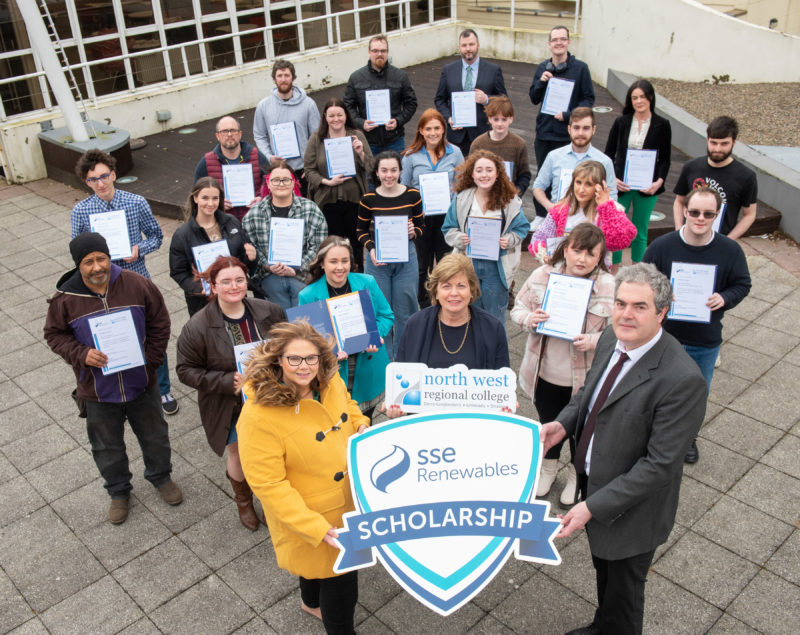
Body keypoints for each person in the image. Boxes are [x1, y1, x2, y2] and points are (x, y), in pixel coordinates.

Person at [540, 262, 706, 635]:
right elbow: (590, 393)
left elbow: (660, 466)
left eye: (640, 306)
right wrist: (562, 425)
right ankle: (604, 625)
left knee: (625, 593)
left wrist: (591, 507)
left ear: (663, 311)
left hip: (632, 512)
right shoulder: (614, 338)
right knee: (606, 575)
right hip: (594, 484)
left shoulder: (681, 380)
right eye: (620, 303)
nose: (626, 314)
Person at [237, 321, 369, 634]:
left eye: (310, 358)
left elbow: (347, 406)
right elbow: (268, 485)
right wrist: (315, 527)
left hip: (347, 498)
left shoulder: (330, 379)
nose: (303, 367)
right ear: (278, 360)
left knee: (313, 569)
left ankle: (310, 603)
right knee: (341, 586)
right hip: (311, 514)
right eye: (293, 359)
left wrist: (360, 423)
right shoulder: (258, 416)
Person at [44, 233, 182, 525]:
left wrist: (150, 364)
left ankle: (161, 477)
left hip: (141, 382)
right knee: (106, 445)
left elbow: (160, 322)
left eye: (101, 259)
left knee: (155, 436)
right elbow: (54, 335)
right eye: (88, 261)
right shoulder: (65, 299)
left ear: (109, 258)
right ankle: (119, 491)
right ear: (77, 265)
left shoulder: (137, 284)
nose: (97, 267)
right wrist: (81, 354)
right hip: (96, 390)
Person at [176, 256, 285, 530]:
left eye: (239, 280)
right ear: (213, 287)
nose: (234, 286)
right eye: (225, 282)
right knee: (238, 454)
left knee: (275, 451)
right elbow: (185, 370)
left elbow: (288, 345)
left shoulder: (268, 310)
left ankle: (274, 500)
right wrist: (227, 380)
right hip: (230, 404)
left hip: (270, 395)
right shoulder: (197, 327)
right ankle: (244, 500)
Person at [644, 187, 751, 464]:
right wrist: (660, 294)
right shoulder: (662, 246)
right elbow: (642, 281)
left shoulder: (730, 250)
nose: (700, 218)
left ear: (717, 215)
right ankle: (652, 437)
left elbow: (742, 284)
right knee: (655, 389)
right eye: (694, 212)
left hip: (704, 339)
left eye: (707, 214)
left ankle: (688, 438)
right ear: (684, 211)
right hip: (663, 337)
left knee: (696, 393)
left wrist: (725, 298)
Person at [510, 224, 615, 505]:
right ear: (566, 249)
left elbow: (619, 331)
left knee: (581, 429)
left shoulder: (607, 285)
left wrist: (594, 340)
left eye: (590, 254)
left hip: (584, 377)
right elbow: (518, 309)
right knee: (548, 421)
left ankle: (577, 476)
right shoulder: (543, 275)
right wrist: (529, 320)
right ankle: (548, 468)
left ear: (600, 257)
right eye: (577, 251)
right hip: (543, 372)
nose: (582, 259)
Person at [70, 148, 178, 415]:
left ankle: (162, 389)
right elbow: (77, 251)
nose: (101, 183)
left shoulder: (136, 202)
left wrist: (139, 249)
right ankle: (125, 385)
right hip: (101, 286)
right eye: (94, 179)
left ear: (114, 174)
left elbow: (155, 235)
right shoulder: (81, 212)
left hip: (137, 277)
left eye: (105, 176)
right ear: (87, 182)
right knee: (112, 335)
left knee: (151, 333)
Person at [298, 235, 393, 420]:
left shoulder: (368, 282)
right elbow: (305, 340)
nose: (340, 267)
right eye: (333, 261)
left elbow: (386, 315)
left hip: (370, 367)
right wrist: (326, 352)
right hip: (336, 372)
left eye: (345, 261)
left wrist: (376, 336)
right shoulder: (307, 295)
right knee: (345, 427)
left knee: (375, 427)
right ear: (322, 264)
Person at [442, 149, 530, 326]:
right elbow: (448, 228)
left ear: (498, 173)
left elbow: (522, 228)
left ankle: (495, 353)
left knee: (494, 319)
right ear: (472, 174)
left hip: (496, 267)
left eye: (489, 170)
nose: (484, 175)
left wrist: (509, 240)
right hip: (468, 264)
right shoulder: (461, 199)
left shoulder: (510, 201)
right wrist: (460, 238)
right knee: (467, 314)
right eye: (479, 170)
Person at [357, 151, 423, 359]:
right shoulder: (368, 199)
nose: (389, 175)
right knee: (379, 310)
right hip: (378, 260)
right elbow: (360, 231)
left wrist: (414, 232)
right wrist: (371, 249)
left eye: (393, 170)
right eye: (384, 170)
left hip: (406, 259)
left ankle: (405, 357)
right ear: (377, 172)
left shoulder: (413, 195)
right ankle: (382, 359)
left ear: (400, 171)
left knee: (406, 309)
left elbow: (421, 226)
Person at [395, 253, 509, 369]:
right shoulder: (415, 325)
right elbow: (402, 376)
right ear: (436, 292)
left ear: (471, 290)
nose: (454, 293)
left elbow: (502, 381)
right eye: (446, 286)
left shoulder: (493, 329)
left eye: (461, 286)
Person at [529, 26, 595, 223]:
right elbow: (533, 98)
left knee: (568, 176)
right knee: (544, 175)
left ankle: (570, 213)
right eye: (555, 39)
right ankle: (542, 215)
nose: (558, 43)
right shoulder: (543, 68)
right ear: (549, 44)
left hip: (566, 134)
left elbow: (588, 99)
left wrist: (568, 115)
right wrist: (541, 82)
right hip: (544, 132)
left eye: (562, 39)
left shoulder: (580, 68)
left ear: (568, 42)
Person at [243, 160, 328, 311]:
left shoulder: (310, 210)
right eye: (276, 180)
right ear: (268, 183)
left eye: (286, 180)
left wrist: (297, 267)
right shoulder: (253, 215)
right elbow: (250, 247)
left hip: (303, 274)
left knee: (304, 319)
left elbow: (318, 246)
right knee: (277, 320)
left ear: (293, 182)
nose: (281, 184)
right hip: (268, 276)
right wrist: (267, 265)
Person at [401, 109, 464, 307]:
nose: (433, 133)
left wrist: (453, 202)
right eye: (428, 128)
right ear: (421, 130)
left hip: (447, 217)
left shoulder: (455, 152)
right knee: (422, 266)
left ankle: (445, 301)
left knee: (446, 262)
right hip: (422, 218)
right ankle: (423, 305)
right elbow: (404, 187)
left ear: (444, 129)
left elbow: (461, 184)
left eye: (437, 128)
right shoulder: (410, 156)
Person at [604, 80, 672, 264]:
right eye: (634, 98)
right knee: (616, 228)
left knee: (640, 230)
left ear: (650, 97)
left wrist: (659, 182)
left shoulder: (662, 124)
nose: (639, 101)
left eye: (642, 97)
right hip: (622, 184)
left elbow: (665, 159)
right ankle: (615, 269)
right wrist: (614, 179)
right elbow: (609, 154)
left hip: (647, 186)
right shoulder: (621, 122)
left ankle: (637, 269)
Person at [169, 177, 257, 315]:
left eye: (215, 198)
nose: (210, 203)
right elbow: (178, 272)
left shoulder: (232, 222)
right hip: (204, 303)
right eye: (205, 198)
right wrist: (198, 288)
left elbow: (243, 261)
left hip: (234, 295)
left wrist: (251, 257)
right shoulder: (182, 235)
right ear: (195, 198)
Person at [304, 98, 373, 273]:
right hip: (328, 201)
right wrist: (327, 181)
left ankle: (357, 279)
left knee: (356, 244)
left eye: (339, 115)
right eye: (331, 115)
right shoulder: (317, 138)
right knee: (332, 246)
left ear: (345, 115)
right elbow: (309, 170)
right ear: (325, 117)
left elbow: (372, 167)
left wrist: (360, 153)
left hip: (354, 199)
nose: (336, 119)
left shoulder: (356, 135)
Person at [529, 160, 636, 268]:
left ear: (599, 186)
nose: (581, 189)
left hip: (596, 272)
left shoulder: (611, 209)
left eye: (588, 184)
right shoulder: (560, 210)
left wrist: (606, 208)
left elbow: (620, 241)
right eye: (578, 182)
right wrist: (545, 256)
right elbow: (539, 238)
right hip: (563, 271)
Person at [672, 116, 758, 239]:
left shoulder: (746, 176)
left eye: (724, 144)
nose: (718, 149)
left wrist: (728, 241)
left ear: (734, 142)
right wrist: (679, 230)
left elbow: (749, 214)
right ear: (707, 140)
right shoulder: (691, 167)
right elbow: (679, 201)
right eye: (713, 143)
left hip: (720, 240)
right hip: (688, 237)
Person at [433, 29, 507, 158]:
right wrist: (449, 118)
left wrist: (486, 99)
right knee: (458, 175)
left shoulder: (493, 70)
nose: (468, 49)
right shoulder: (448, 70)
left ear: (478, 45)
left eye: (471, 44)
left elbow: (504, 100)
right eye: (464, 45)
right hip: (456, 135)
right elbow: (440, 99)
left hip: (483, 134)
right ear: (459, 47)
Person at [532, 107, 618, 217]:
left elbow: (612, 196)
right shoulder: (554, 156)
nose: (580, 133)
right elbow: (538, 186)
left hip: (589, 224)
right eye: (576, 128)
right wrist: (549, 206)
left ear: (594, 129)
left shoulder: (604, 162)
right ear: (569, 129)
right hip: (558, 219)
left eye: (586, 128)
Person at [253, 59, 321, 196]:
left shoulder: (308, 104)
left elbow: (317, 136)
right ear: (274, 79)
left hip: (303, 172)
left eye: (287, 75)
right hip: (277, 171)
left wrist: (310, 165)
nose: (283, 79)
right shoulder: (263, 106)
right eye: (279, 76)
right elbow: (259, 135)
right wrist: (268, 156)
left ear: (293, 78)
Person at [343, 34, 418, 156]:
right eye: (375, 51)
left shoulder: (400, 76)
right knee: (370, 174)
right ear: (369, 52)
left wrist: (398, 121)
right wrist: (361, 123)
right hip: (367, 141)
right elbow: (347, 106)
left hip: (395, 140)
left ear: (387, 52)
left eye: (383, 51)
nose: (379, 54)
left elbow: (411, 103)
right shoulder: (356, 78)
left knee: (395, 174)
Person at [193, 115, 268, 221]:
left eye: (233, 130)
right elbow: (196, 195)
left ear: (240, 134)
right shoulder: (206, 161)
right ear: (217, 136)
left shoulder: (256, 155)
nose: (229, 134)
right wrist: (216, 203)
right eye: (224, 131)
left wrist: (262, 198)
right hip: (223, 223)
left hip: (254, 220)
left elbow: (270, 183)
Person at [468, 96, 532, 197]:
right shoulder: (478, 143)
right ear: (489, 119)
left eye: (504, 119)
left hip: (509, 197)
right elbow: (469, 173)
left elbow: (524, 174)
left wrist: (516, 192)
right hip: (482, 196)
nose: (500, 124)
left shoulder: (519, 144)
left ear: (511, 119)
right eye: (496, 119)